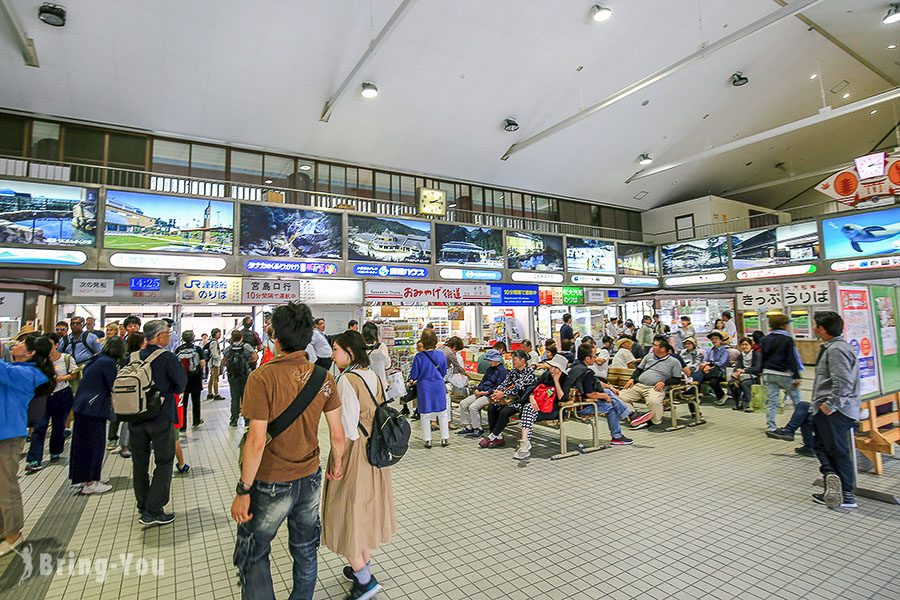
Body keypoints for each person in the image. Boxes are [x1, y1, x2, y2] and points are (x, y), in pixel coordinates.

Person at [231, 302, 345, 600]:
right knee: (306, 550)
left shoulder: (262, 378)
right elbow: (337, 433)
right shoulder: (324, 378)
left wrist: (243, 490)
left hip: (270, 480)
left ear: (276, 339)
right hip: (309, 477)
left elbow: (256, 440)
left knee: (255, 552)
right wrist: (338, 463)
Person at [323, 330, 397, 599]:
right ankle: (362, 568)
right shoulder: (374, 377)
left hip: (354, 452)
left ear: (349, 353)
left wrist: (338, 460)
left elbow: (346, 428)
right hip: (374, 452)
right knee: (363, 509)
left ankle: (365, 581)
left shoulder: (346, 380)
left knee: (345, 512)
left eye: (336, 349)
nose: (333, 354)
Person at [0, 333, 54, 557]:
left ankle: (13, 533)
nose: (17, 343)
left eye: (22, 343)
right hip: (4, 432)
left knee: (6, 485)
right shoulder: (14, 368)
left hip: (9, 435)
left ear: (31, 353)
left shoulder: (27, 373)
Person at [129, 320, 187, 527]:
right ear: (160, 336)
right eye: (168, 333)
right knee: (163, 462)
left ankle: (143, 504)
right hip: (161, 417)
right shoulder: (167, 357)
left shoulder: (133, 357)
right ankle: (154, 510)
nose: (169, 336)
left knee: (140, 463)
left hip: (135, 418)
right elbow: (181, 384)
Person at [808, 311, 860, 510]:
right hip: (832, 409)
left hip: (836, 411)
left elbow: (843, 382)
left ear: (822, 329)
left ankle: (846, 494)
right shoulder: (834, 347)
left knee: (836, 451)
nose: (813, 328)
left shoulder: (837, 350)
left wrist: (830, 405)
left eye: (815, 325)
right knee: (821, 446)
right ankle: (832, 479)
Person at [70, 336, 127, 494]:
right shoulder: (108, 363)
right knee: (93, 444)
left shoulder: (97, 358)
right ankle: (90, 482)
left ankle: (86, 477)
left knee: (82, 443)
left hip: (83, 405)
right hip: (94, 407)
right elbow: (112, 385)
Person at [24, 332, 77, 472]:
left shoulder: (65, 358)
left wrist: (60, 378)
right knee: (39, 426)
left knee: (58, 425)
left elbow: (75, 373)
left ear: (57, 345)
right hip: (43, 397)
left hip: (62, 394)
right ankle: (34, 458)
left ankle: (56, 450)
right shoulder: (38, 361)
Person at [565, 343, 634, 447]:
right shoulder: (586, 372)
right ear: (587, 358)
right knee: (611, 407)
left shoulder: (575, 366)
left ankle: (630, 415)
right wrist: (604, 396)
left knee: (609, 393)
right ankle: (618, 435)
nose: (596, 358)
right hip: (580, 407)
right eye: (594, 356)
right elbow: (590, 394)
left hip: (571, 403)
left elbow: (595, 383)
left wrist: (609, 388)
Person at [622, 339, 685, 430]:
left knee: (654, 401)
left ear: (663, 349)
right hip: (639, 385)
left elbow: (677, 379)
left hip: (654, 388)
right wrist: (632, 378)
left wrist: (664, 382)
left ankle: (653, 421)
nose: (653, 347)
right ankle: (634, 416)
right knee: (619, 397)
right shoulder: (648, 357)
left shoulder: (674, 362)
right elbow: (639, 369)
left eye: (655, 345)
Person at [479, 350, 537, 448]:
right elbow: (505, 383)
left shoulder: (529, 373)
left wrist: (503, 394)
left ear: (523, 360)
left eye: (514, 359)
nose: (512, 361)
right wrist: (497, 392)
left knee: (504, 412)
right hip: (509, 399)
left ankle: (492, 437)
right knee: (492, 407)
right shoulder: (513, 372)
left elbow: (519, 388)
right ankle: (498, 437)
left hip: (522, 401)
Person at [760, 314, 801, 432]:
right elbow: (791, 358)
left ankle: (771, 426)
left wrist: (761, 372)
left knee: (772, 401)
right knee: (797, 402)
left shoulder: (765, 339)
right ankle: (803, 426)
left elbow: (763, 357)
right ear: (783, 325)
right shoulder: (787, 339)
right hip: (785, 374)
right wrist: (797, 376)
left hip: (769, 373)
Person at [409, 329, 448, 448]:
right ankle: (444, 438)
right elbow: (444, 370)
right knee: (442, 412)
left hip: (424, 386)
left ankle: (428, 440)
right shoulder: (441, 354)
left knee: (425, 413)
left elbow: (414, 374)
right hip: (438, 384)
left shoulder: (419, 357)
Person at [457, 349, 507, 438]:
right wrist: (477, 389)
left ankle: (478, 428)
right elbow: (483, 381)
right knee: (463, 403)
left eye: (490, 360)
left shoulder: (502, 371)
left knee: (473, 407)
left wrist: (487, 392)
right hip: (481, 392)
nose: (489, 362)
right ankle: (468, 426)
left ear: (497, 360)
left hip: (490, 395)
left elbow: (499, 386)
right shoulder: (489, 369)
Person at [226, 330, 258, 428]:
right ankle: (247, 419)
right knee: (246, 396)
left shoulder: (229, 348)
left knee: (235, 397)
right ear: (241, 337)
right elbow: (255, 357)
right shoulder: (246, 346)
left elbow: (225, 360)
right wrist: (247, 362)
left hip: (232, 376)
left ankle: (234, 419)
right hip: (245, 375)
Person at [175, 330, 206, 430]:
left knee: (183, 402)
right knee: (196, 400)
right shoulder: (197, 349)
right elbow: (202, 363)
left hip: (183, 380)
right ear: (193, 338)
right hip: (195, 379)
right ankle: (196, 420)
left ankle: (182, 425)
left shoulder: (178, 349)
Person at [728, 337, 761, 412]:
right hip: (742, 376)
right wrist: (737, 372)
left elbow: (757, 368)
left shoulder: (757, 355)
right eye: (742, 345)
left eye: (746, 344)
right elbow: (738, 366)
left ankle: (750, 404)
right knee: (731, 382)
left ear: (750, 345)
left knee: (744, 383)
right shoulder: (740, 356)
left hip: (754, 377)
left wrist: (744, 370)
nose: (744, 346)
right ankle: (738, 403)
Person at [699, 331, 729, 405]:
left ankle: (721, 396)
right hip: (709, 372)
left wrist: (710, 364)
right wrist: (705, 366)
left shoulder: (725, 351)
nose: (714, 340)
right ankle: (697, 397)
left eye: (716, 338)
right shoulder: (710, 350)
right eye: (712, 339)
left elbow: (721, 363)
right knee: (698, 377)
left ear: (720, 340)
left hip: (720, 372)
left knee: (713, 381)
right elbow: (705, 360)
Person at [362, 322, 391, 389]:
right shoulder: (381, 347)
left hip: (365, 384)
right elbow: (387, 366)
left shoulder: (360, 348)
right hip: (380, 384)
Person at [207, 328, 224, 401]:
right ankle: (216, 394)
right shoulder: (214, 342)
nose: (220, 335)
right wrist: (218, 358)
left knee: (212, 378)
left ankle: (210, 393)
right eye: (218, 333)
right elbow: (214, 353)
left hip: (212, 362)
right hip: (215, 363)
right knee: (215, 378)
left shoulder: (213, 341)